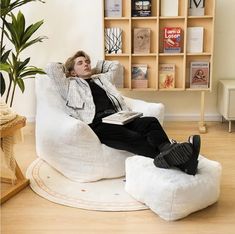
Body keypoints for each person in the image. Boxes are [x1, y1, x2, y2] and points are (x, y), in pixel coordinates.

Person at [46, 50, 201, 175]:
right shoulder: (69, 85)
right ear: (72, 72)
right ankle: (181, 160)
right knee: (134, 137)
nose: (86, 64)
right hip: (98, 123)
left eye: (87, 61)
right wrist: (69, 69)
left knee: (150, 122)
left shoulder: (101, 79)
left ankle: (169, 150)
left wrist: (92, 70)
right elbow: (52, 69)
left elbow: (115, 66)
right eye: (80, 63)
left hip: (119, 116)